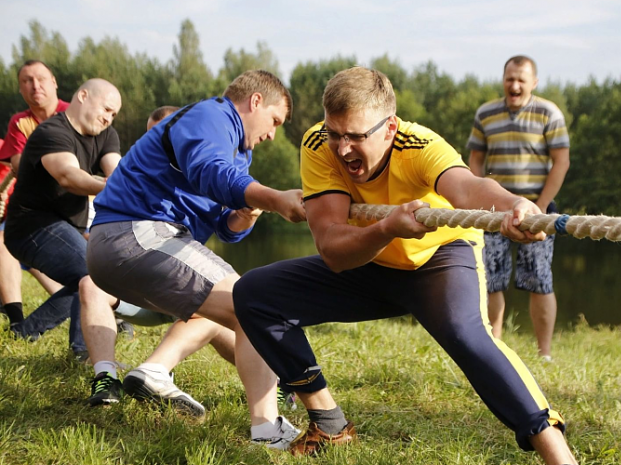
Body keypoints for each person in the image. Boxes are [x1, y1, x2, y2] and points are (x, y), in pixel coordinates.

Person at [233, 67, 577, 463]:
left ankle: (559, 456)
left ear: (390, 128)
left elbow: (468, 188)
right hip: (368, 258)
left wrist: (515, 205)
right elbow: (331, 245)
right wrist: (386, 229)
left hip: (438, 261)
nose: (343, 149)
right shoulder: (316, 143)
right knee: (256, 295)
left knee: (468, 336)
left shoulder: (420, 146)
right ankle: (328, 423)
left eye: (356, 136)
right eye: (336, 133)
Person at [85, 70, 306, 449]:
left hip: (133, 244)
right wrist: (272, 197)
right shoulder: (212, 116)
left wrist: (247, 212)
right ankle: (267, 429)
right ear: (255, 102)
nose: (272, 134)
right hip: (136, 233)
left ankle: (265, 407)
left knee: (243, 309)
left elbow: (225, 225)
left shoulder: (237, 149)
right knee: (257, 303)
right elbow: (211, 173)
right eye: (274, 121)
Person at [79, 104, 238, 418]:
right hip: (140, 285)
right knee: (89, 284)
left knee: (218, 298)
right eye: (153, 137)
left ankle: (279, 378)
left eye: (169, 134)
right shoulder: (133, 179)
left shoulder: (204, 172)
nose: (160, 143)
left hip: (177, 284)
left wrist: (244, 215)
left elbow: (230, 228)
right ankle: (106, 378)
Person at [3, 78, 122, 359]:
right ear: (82, 96)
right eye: (105, 108)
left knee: (84, 281)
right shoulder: (51, 132)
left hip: (69, 227)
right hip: (30, 226)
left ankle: (24, 331)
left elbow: (115, 173)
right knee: (93, 274)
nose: (108, 117)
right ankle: (83, 352)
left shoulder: (106, 134)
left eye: (113, 114)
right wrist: (117, 187)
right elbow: (69, 177)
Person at [467, 55, 570, 359]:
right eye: (510, 78)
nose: (514, 85)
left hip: (538, 209)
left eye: (521, 80)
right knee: (490, 279)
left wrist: (538, 206)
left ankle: (545, 355)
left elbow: (561, 162)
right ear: (503, 79)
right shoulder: (485, 113)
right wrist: (477, 194)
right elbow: (475, 159)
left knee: (539, 279)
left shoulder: (549, 112)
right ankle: (493, 348)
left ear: (533, 83)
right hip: (493, 209)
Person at [0, 60, 69, 327]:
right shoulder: (20, 122)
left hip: (76, 203)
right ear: (20, 89)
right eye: (27, 81)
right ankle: (16, 319)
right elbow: (18, 165)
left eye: (41, 79)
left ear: (54, 82)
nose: (35, 86)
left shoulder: (71, 115)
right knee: (5, 241)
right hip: (32, 206)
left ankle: (107, 310)